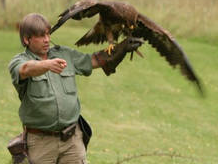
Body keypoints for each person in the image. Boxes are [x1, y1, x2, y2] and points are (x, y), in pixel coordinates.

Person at [8, 13, 143, 164]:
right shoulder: (19, 61)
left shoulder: (64, 54)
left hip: (72, 141)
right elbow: (25, 70)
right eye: (40, 36)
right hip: (40, 143)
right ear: (27, 39)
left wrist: (121, 48)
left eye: (48, 34)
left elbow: (93, 60)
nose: (47, 40)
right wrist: (46, 65)